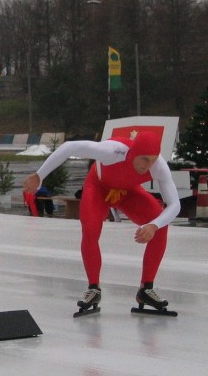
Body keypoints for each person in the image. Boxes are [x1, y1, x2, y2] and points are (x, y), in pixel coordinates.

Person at [22, 132, 180, 312]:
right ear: (133, 153)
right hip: (98, 187)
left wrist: (154, 225)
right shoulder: (113, 151)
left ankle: (146, 288)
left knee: (160, 224)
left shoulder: (158, 166)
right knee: (90, 230)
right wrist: (39, 175)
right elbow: (69, 147)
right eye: (144, 159)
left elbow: (175, 205)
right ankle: (93, 288)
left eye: (152, 160)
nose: (149, 165)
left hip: (127, 192)